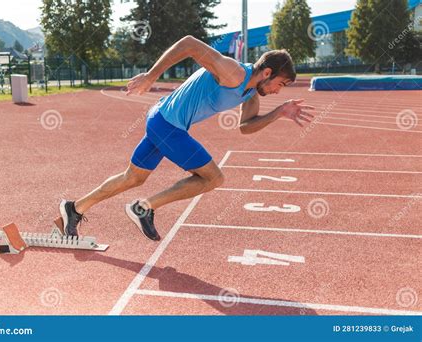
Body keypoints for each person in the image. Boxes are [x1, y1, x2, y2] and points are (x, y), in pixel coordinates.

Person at [59, 35, 314, 241]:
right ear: (267, 73)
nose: (279, 91)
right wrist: (150, 76)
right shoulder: (233, 73)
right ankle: (144, 207)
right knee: (214, 177)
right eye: (281, 84)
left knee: (133, 177)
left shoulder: (250, 94)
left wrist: (279, 113)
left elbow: (246, 127)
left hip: (162, 120)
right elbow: (189, 44)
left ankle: (75, 208)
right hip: (167, 124)